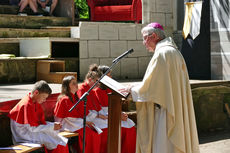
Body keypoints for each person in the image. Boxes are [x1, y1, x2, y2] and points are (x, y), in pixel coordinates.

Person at [129, 22, 200, 153]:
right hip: (173, 107)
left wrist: (131, 91)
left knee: (163, 147)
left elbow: (151, 87)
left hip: (165, 113)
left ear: (154, 36)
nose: (143, 42)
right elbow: (158, 82)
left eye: (145, 38)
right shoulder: (173, 51)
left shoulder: (162, 54)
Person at [8, 80, 69, 153]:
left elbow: (37, 123)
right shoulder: (26, 105)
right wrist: (51, 126)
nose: (44, 100)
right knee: (57, 142)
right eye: (43, 97)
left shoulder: (34, 102)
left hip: (31, 132)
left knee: (59, 139)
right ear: (36, 92)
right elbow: (31, 128)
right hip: (24, 136)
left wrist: (52, 125)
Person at [94, 65, 137, 153]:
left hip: (112, 114)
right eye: (108, 75)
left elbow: (114, 104)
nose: (111, 77)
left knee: (130, 124)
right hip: (100, 118)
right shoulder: (94, 91)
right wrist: (117, 116)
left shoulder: (111, 89)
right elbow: (97, 112)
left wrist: (122, 113)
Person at [54, 75, 101, 153]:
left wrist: (86, 122)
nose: (76, 85)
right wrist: (84, 122)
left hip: (77, 124)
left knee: (95, 132)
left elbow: (82, 113)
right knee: (90, 134)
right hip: (66, 125)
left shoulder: (76, 98)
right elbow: (65, 118)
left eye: (76, 83)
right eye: (73, 83)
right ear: (67, 86)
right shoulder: (64, 99)